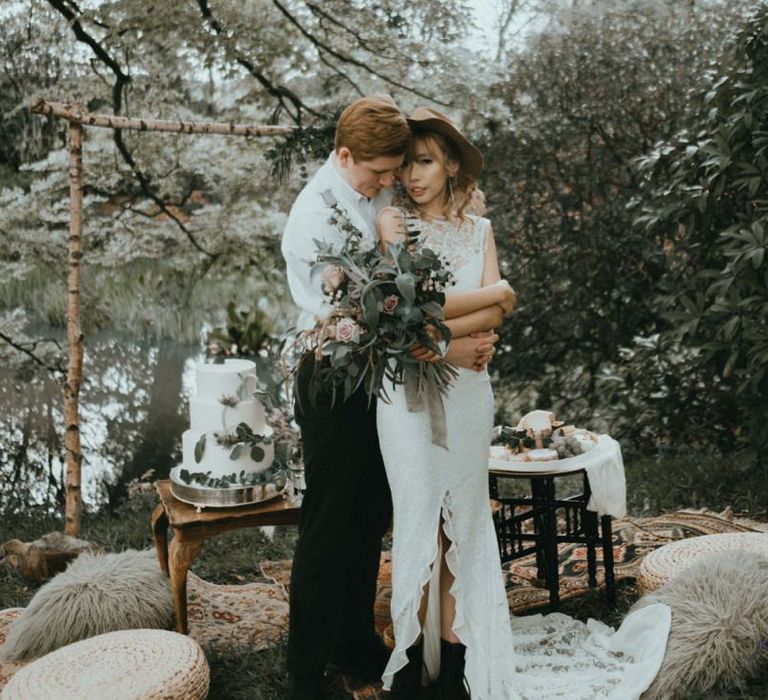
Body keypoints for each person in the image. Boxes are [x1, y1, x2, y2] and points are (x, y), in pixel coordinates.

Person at [376, 108, 671, 699]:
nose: (413, 174)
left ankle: (458, 656)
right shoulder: (391, 222)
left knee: (464, 517)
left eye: (426, 161)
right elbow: (400, 317)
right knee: (417, 516)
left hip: (468, 397)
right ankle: (413, 653)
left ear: (452, 163)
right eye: (406, 162)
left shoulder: (479, 231)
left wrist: (467, 309)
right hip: (409, 394)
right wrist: (469, 319)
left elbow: (493, 314)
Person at [280, 96, 500, 699]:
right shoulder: (313, 220)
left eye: (394, 170)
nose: (390, 183)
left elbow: (413, 286)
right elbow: (365, 317)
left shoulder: (376, 190)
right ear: (344, 155)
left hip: (381, 380)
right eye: (379, 173)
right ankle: (304, 670)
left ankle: (353, 641)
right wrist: (451, 348)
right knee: (328, 524)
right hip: (333, 374)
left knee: (370, 516)